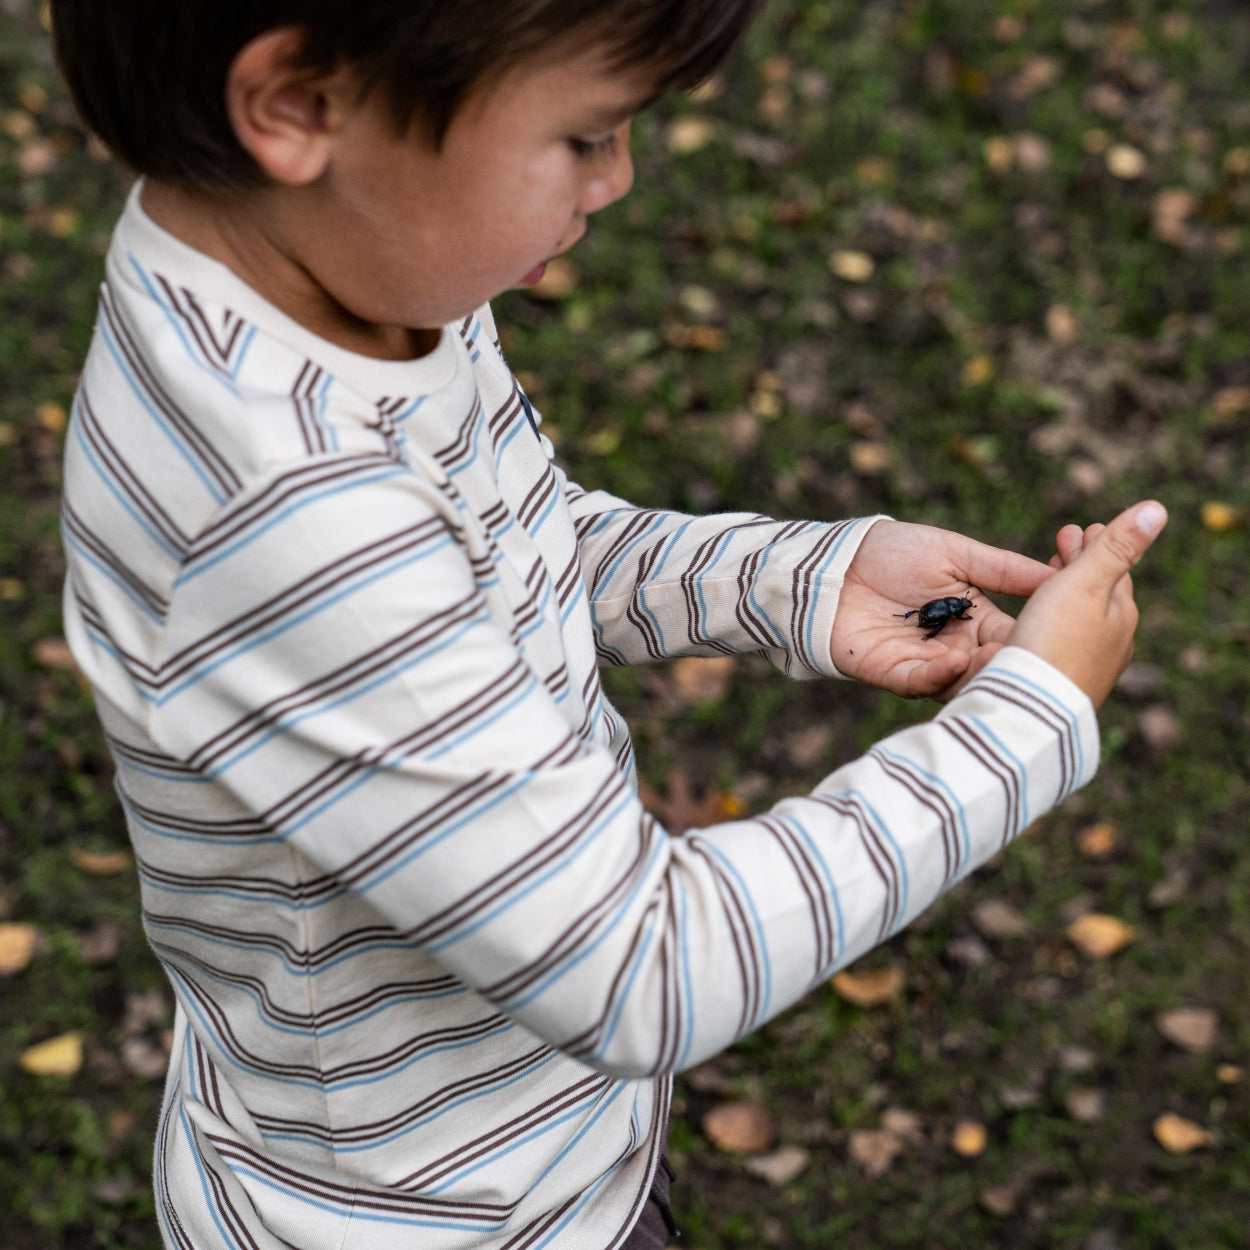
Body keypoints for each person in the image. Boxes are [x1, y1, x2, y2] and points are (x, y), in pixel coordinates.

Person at [48, 2, 1166, 1247]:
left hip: (519, 1147)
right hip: (434, 1219)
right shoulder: (285, 511)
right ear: (299, 105)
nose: (619, 178)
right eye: (583, 136)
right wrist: (1027, 722)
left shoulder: (336, 283)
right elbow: (638, 967)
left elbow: (517, 545)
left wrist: (795, 577)